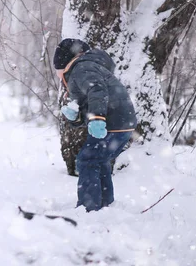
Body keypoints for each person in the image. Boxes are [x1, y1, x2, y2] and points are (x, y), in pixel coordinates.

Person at [53, 38, 136, 212]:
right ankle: (105, 205)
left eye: (58, 71)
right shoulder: (88, 68)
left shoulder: (81, 69)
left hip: (112, 121)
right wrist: (75, 118)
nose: (58, 76)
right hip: (123, 121)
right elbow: (91, 101)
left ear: (63, 64)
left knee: (87, 160)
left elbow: (97, 90)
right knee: (99, 160)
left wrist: (98, 118)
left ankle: (88, 208)